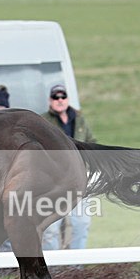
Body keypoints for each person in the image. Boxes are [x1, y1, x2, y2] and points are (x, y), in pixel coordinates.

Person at [41, 84, 94, 250]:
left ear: (67, 99)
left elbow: (91, 142)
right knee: (51, 229)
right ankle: (54, 269)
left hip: (79, 178)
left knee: (82, 223)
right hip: (54, 182)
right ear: (50, 100)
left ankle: (75, 268)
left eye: (62, 97)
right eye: (56, 97)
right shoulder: (43, 121)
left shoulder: (79, 119)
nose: (60, 100)